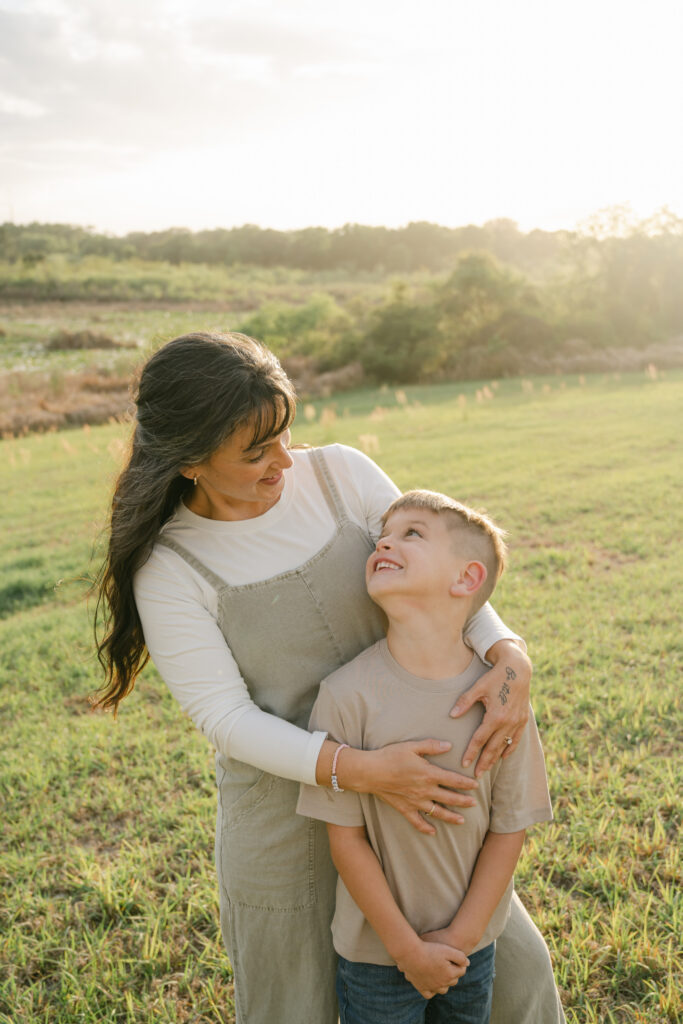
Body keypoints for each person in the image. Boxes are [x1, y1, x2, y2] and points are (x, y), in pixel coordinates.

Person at [94, 332, 564, 1024]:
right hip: (283, 814)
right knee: (294, 1005)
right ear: (191, 461)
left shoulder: (342, 475)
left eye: (284, 432)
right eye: (255, 451)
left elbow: (441, 567)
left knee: (514, 983)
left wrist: (506, 650)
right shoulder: (169, 569)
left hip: (415, 790)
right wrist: (360, 771)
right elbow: (226, 719)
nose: (284, 459)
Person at [298, 490, 553, 1024]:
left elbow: (509, 830)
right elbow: (346, 840)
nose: (385, 540)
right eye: (383, 535)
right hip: (375, 956)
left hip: (470, 952)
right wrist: (408, 952)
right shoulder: (345, 696)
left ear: (467, 579)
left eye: (412, 533)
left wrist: (460, 940)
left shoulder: (502, 701)